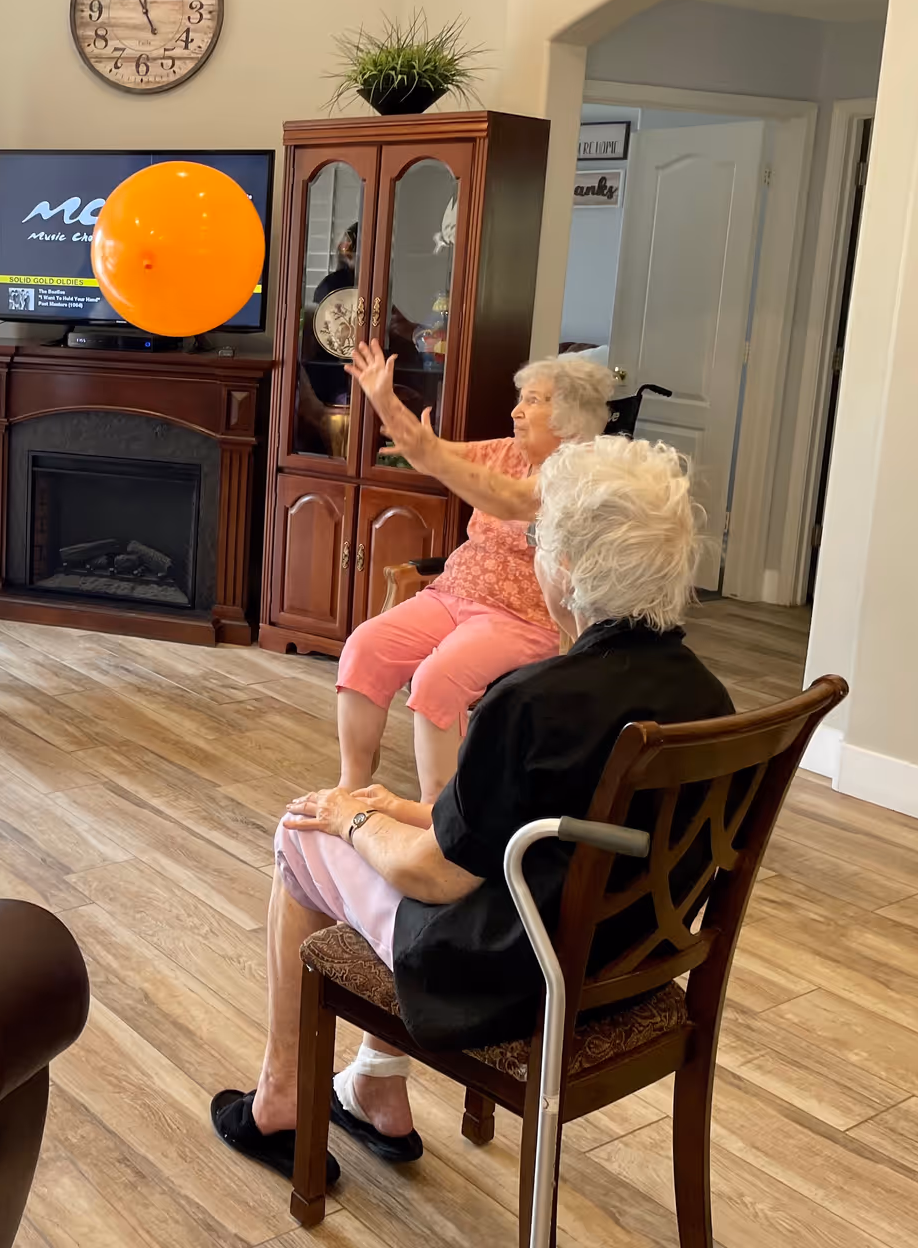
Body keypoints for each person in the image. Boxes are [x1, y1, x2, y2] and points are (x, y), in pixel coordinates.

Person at [211, 434, 732, 1183]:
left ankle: (280, 1103)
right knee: (368, 829)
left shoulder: (532, 701)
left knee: (300, 834)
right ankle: (375, 1087)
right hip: (630, 964)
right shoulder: (706, 699)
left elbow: (436, 880)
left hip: (504, 975)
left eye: (540, 539)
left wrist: (349, 817)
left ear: (568, 567)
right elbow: (536, 829)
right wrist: (402, 807)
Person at [335, 348, 615, 800]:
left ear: (570, 416)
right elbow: (430, 455)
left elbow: (513, 500)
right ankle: (352, 784)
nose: (516, 411)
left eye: (533, 401)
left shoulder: (584, 470)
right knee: (366, 645)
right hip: (454, 592)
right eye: (519, 398)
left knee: (438, 677)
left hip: (525, 616)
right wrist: (383, 399)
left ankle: (436, 811)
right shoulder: (506, 452)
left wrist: (428, 451)